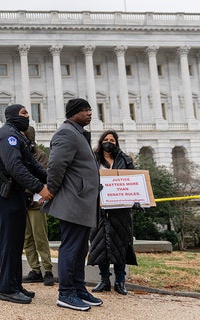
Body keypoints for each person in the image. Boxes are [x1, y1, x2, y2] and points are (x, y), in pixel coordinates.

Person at [0, 105, 52, 304]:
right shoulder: (8, 136)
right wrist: (40, 188)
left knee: (15, 242)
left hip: (13, 193)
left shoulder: (17, 136)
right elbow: (16, 167)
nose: (28, 116)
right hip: (3, 192)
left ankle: (14, 284)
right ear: (13, 116)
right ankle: (6, 289)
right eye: (24, 113)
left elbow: (33, 164)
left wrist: (52, 182)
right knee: (9, 242)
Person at [42, 98, 104, 311]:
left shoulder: (78, 133)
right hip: (73, 200)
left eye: (90, 109)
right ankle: (66, 293)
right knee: (71, 247)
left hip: (83, 200)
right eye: (85, 110)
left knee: (80, 248)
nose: (89, 113)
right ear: (73, 113)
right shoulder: (66, 133)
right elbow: (56, 165)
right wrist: (50, 189)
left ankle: (78, 288)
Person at [88, 130, 138, 295]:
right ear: (101, 141)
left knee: (120, 245)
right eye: (106, 139)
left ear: (117, 143)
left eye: (112, 140)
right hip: (99, 208)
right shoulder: (93, 160)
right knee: (100, 245)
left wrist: (137, 198)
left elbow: (133, 181)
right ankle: (103, 280)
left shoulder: (125, 160)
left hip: (120, 209)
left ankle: (120, 281)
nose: (109, 142)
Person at [21, 126, 55, 286]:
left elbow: (38, 176)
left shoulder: (40, 155)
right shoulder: (18, 153)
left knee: (40, 237)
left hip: (35, 202)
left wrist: (27, 189)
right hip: (22, 202)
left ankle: (48, 270)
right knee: (27, 238)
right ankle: (35, 269)